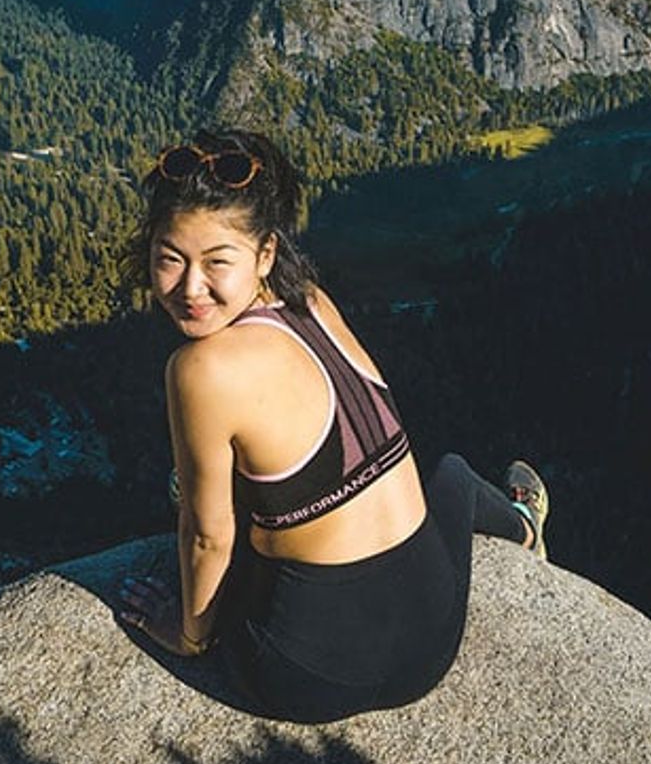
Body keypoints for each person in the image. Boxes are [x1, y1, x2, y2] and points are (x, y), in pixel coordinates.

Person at [117, 128, 550, 723]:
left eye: (217, 262)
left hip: (306, 675)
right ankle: (524, 527)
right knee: (450, 475)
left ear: (265, 253)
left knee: (194, 503)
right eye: (170, 259)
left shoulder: (201, 369)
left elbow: (206, 538)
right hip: (432, 641)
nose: (191, 288)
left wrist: (188, 636)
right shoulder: (312, 301)